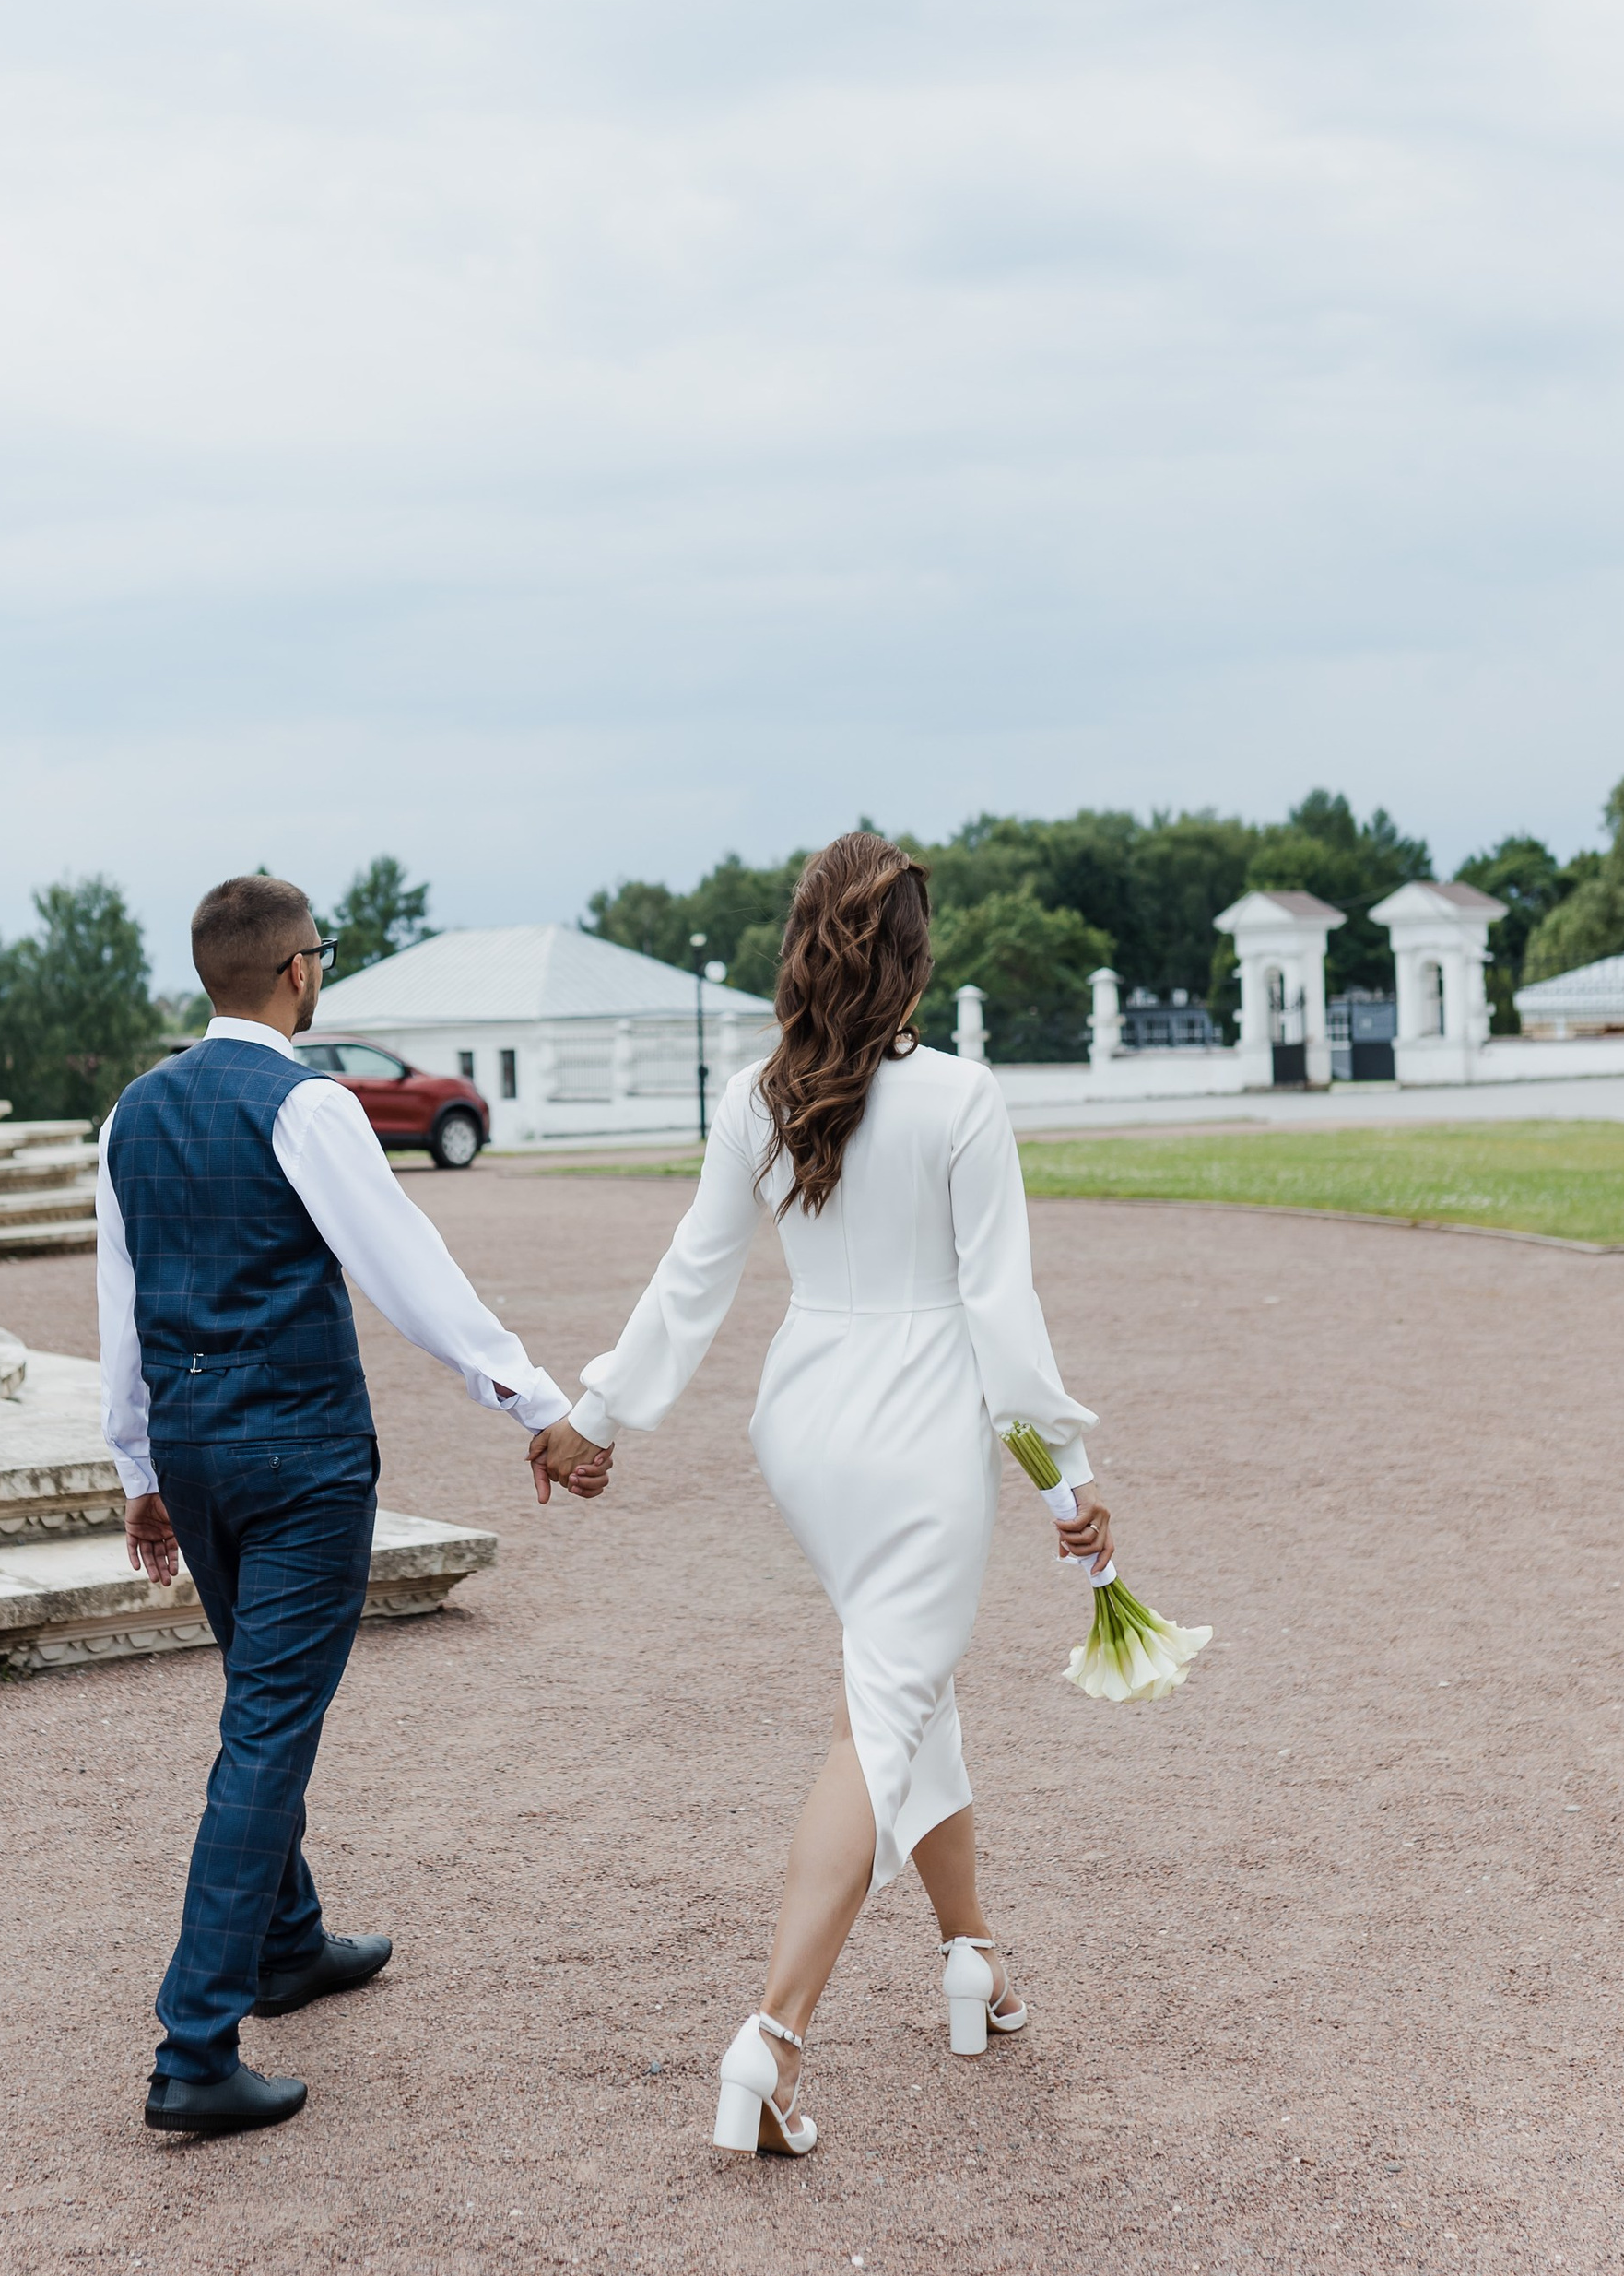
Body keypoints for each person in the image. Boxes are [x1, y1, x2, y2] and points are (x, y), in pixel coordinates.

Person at [528, 833, 1112, 2157]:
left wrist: (595, 1418)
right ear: (913, 955)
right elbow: (1000, 1312)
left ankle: (972, 1955)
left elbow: (695, 1275)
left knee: (905, 1680)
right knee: (885, 1707)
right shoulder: (962, 1097)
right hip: (921, 1431)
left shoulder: (757, 1097)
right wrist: (1069, 1483)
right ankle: (772, 2040)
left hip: (805, 1426)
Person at [101, 873, 585, 2140]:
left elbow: (123, 1302)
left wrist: (140, 1471)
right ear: (299, 971)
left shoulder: (132, 1112)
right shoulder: (308, 1104)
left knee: (260, 1703)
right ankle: (193, 2048)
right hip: (298, 1457)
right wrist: (535, 1404)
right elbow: (410, 1273)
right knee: (268, 1728)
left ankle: (288, 1942)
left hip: (197, 1450)